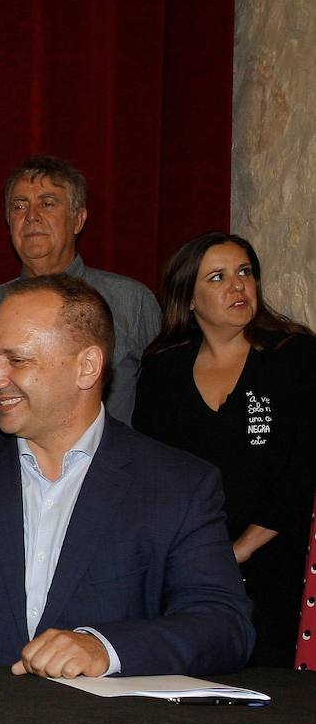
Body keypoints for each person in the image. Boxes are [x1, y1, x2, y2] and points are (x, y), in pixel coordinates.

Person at [0, 273, 253, 677]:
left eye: (17, 360)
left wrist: (105, 649)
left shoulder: (176, 485)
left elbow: (222, 624)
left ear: (87, 367)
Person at [134, 233, 316, 667]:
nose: (238, 286)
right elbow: (149, 470)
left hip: (278, 558)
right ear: (190, 299)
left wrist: (241, 548)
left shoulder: (295, 355)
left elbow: (303, 469)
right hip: (187, 564)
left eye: (245, 272)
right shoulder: (163, 367)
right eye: (218, 277)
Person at [0, 155, 160, 429]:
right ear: (8, 222)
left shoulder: (132, 304)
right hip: (0, 467)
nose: (32, 217)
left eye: (48, 203)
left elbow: (165, 407)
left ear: (78, 220)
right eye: (19, 206)